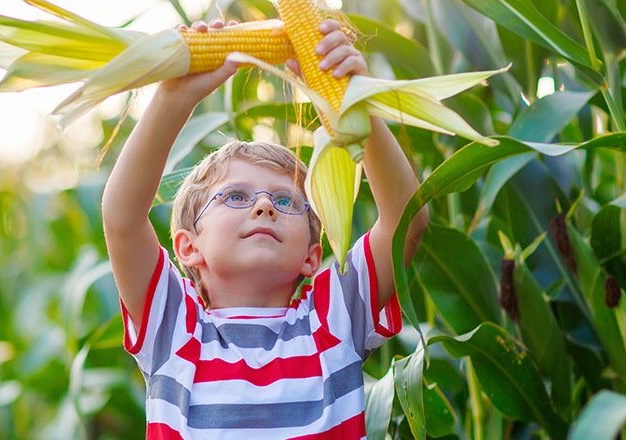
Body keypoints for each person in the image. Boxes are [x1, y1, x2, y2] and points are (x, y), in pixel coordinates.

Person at [102, 16, 429, 440]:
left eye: (287, 200)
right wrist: (173, 98)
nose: (263, 206)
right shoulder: (175, 326)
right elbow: (122, 218)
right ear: (187, 247)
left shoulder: (333, 318)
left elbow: (408, 220)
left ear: (312, 256)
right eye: (236, 196)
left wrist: (355, 104)